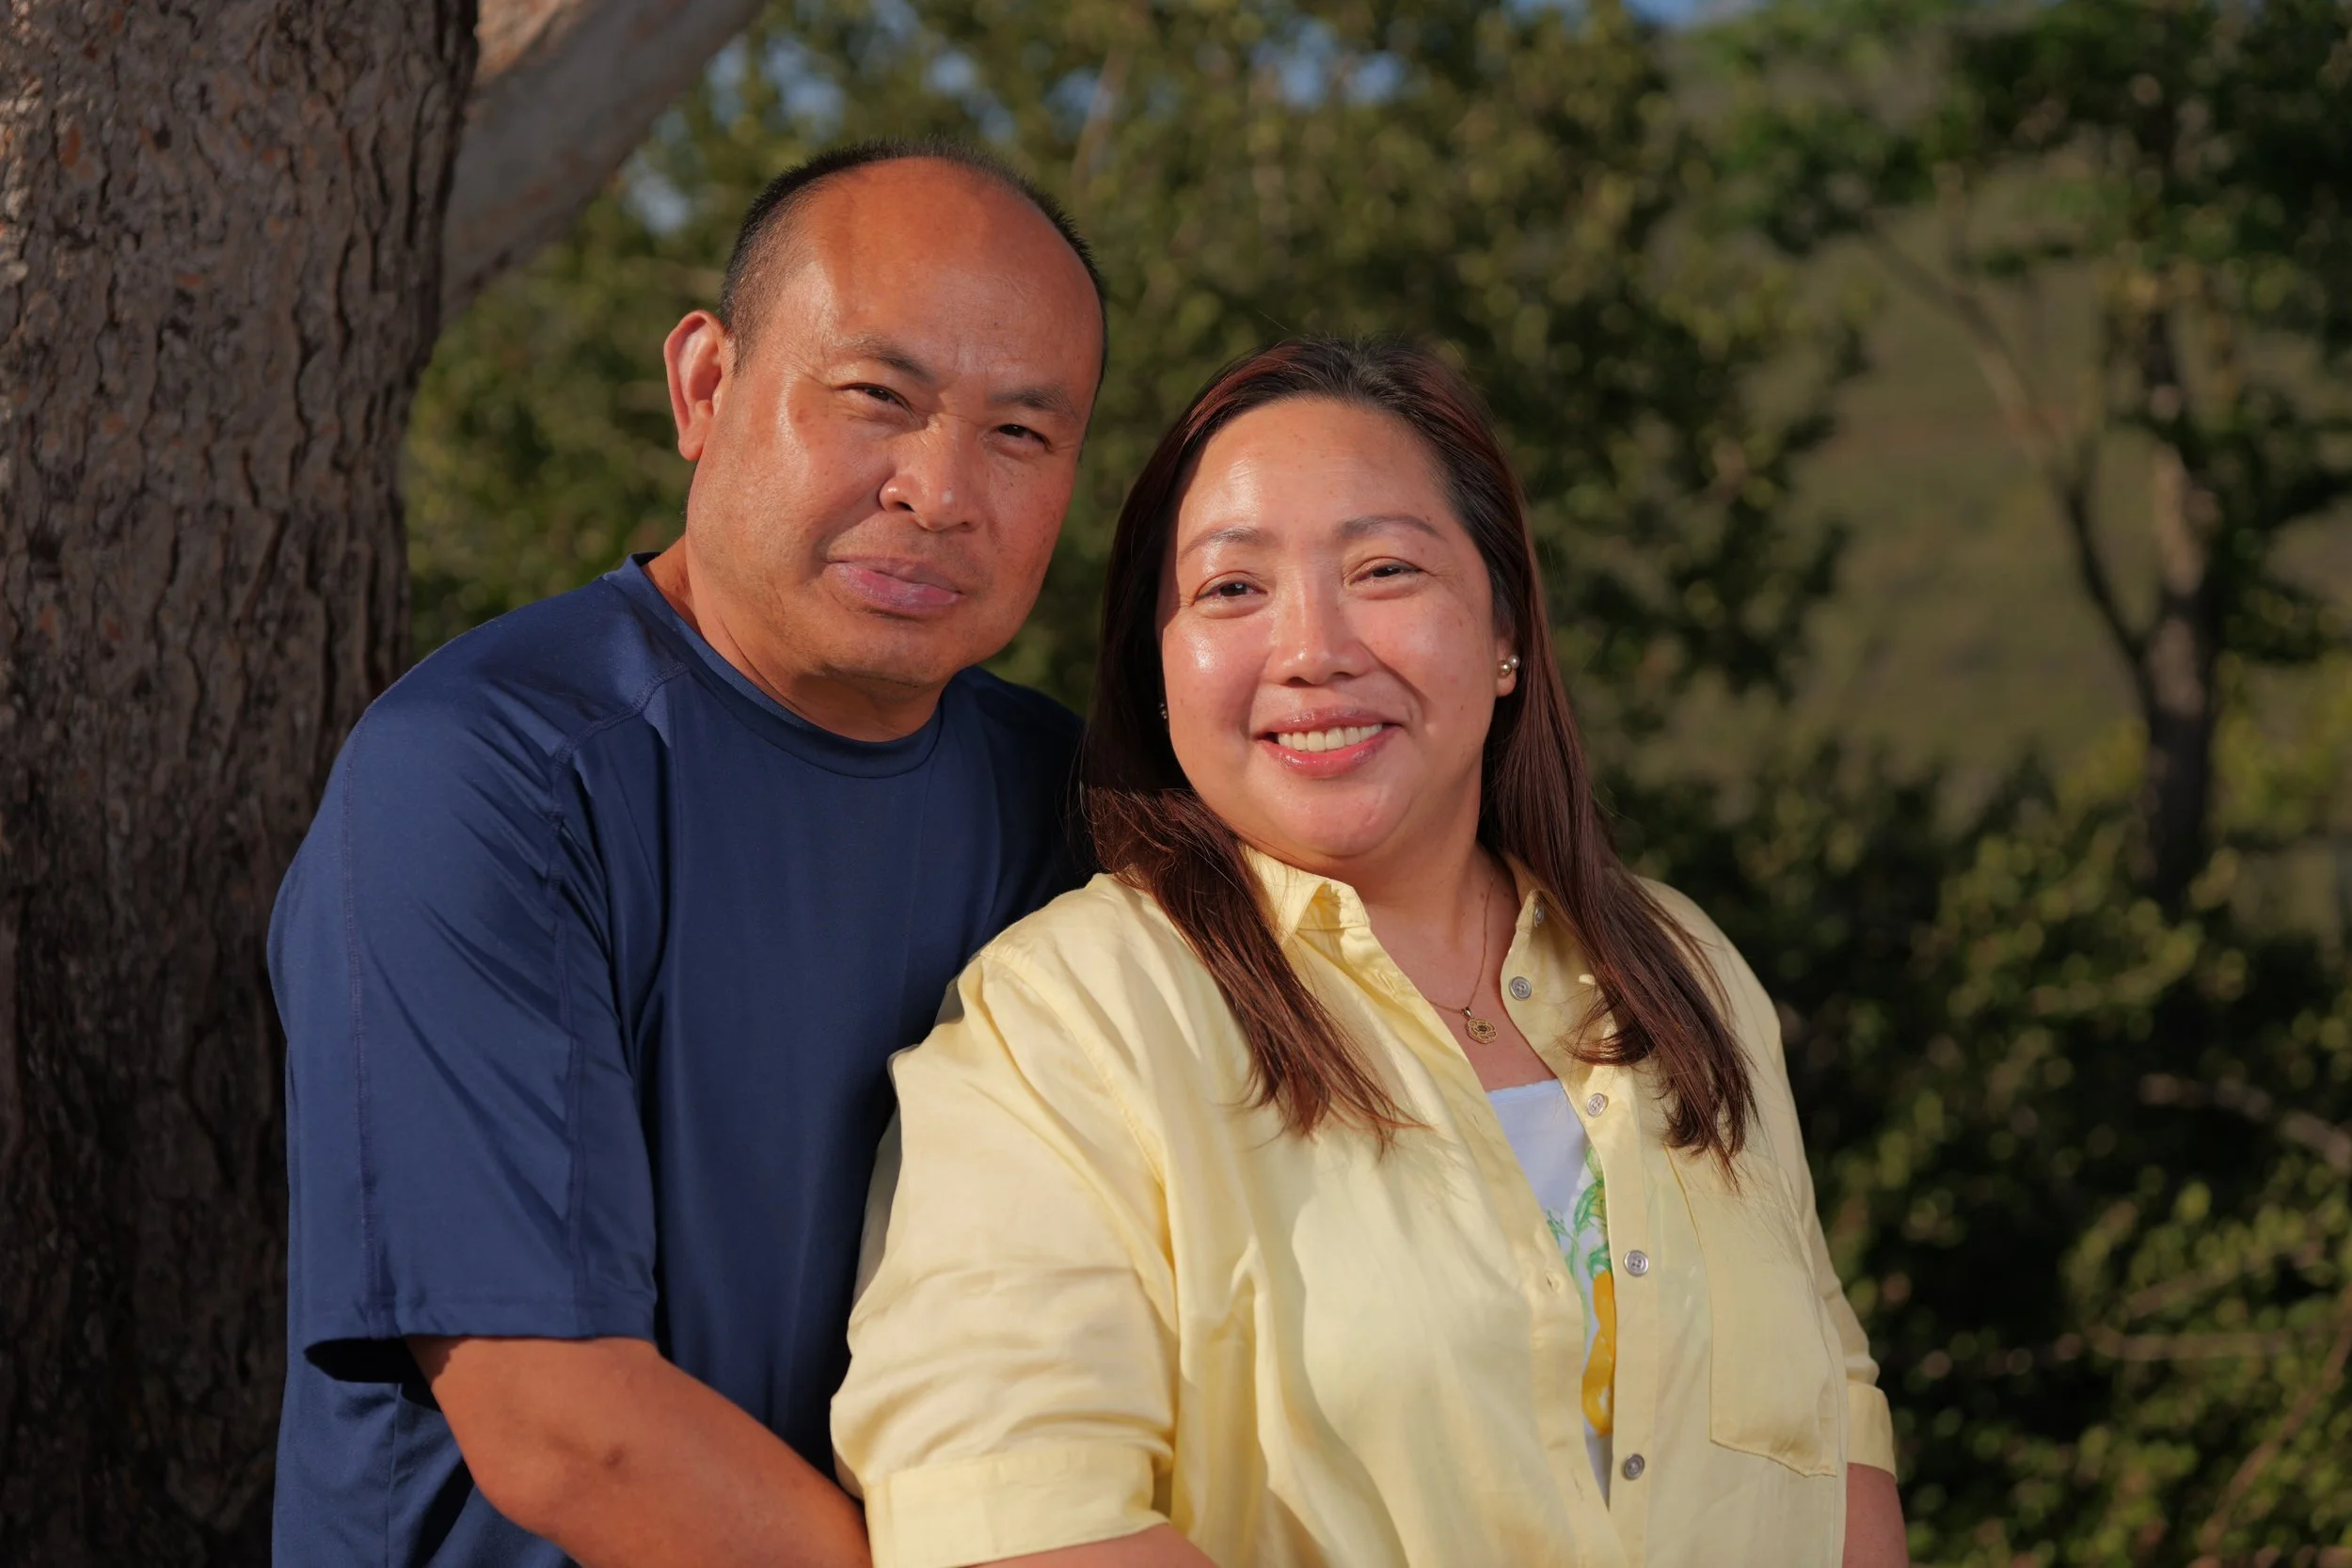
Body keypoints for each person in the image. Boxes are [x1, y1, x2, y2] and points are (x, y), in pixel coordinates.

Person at [834, 339, 1910, 1568]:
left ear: (1507, 630)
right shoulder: (1068, 1021)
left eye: (1385, 569)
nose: (1313, 648)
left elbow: (1836, 1423)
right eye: (1233, 589)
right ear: (1161, 664)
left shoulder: (1681, 965)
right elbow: (1017, 1518)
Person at [268, 139, 1105, 1568]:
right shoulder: (488, 774)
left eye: (1021, 434)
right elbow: (566, 1426)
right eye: (877, 400)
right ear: (705, 386)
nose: (941, 488)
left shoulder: (1067, 805)